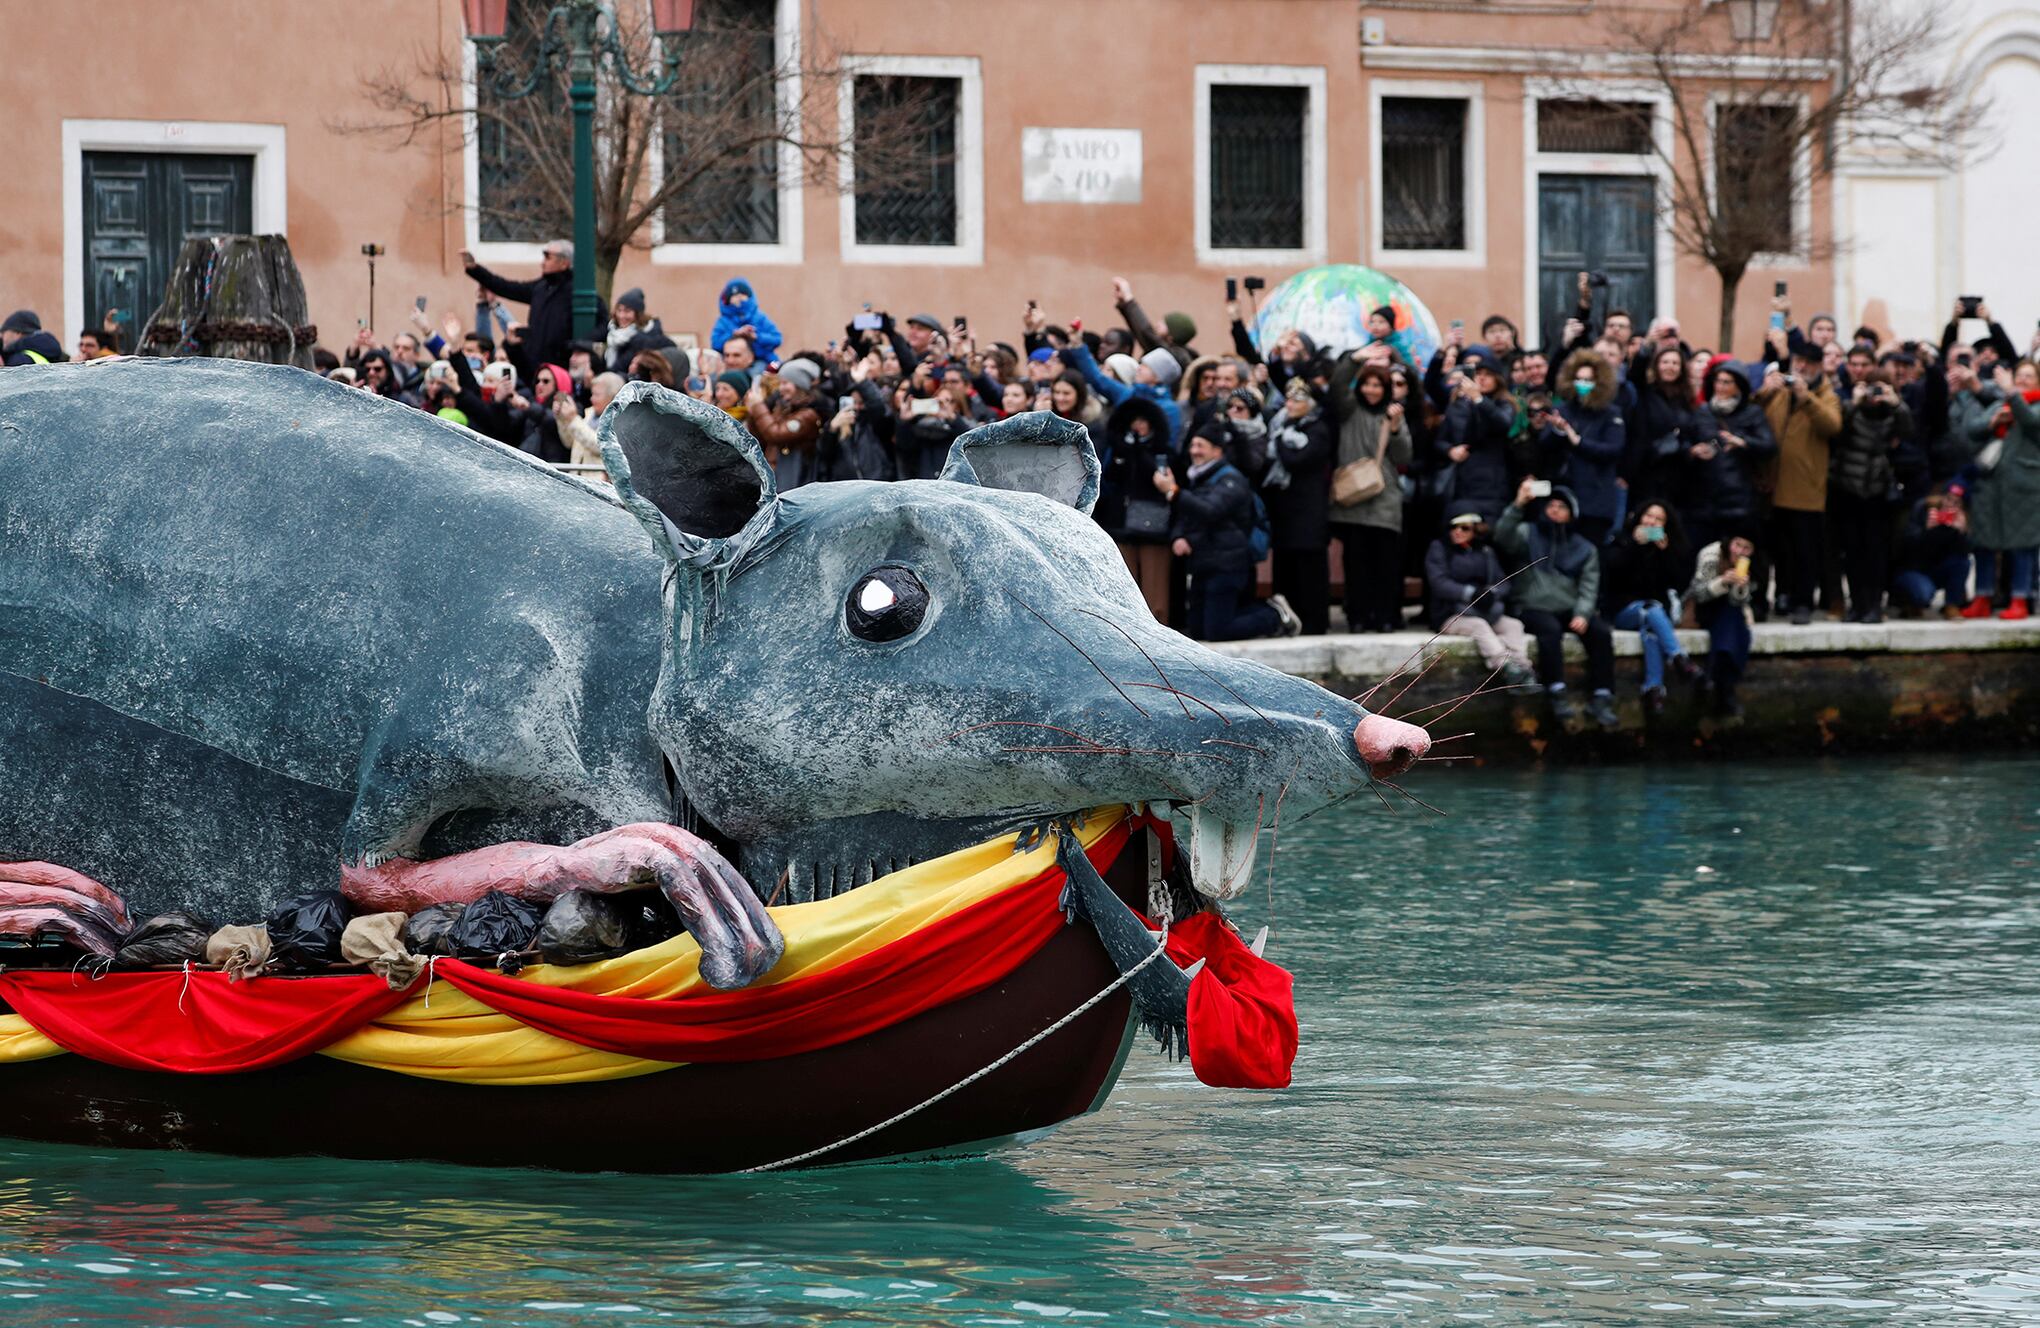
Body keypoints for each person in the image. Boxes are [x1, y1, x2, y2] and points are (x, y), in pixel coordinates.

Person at [1155, 421, 1298, 641]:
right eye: (1193, 445)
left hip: (1227, 564)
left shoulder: (1231, 480)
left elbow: (1210, 511)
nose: (1195, 451)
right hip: (1202, 563)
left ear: (1217, 450)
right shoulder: (1197, 478)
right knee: (1198, 631)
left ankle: (1274, 615)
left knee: (1217, 632)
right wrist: (1179, 536)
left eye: (1201, 446)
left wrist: (1173, 492)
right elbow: (1187, 516)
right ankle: (1262, 612)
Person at [1495, 478, 1619, 729]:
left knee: (1601, 632)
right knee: (1549, 630)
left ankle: (1602, 696)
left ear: (1571, 514)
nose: (1554, 509)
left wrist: (1583, 613)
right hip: (1531, 606)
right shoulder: (1527, 533)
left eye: (1562, 507)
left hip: (1568, 609)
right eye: (1551, 505)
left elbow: (1589, 585)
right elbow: (1502, 536)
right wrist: (1519, 503)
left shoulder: (1584, 548)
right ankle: (1556, 690)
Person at [1758, 344, 1842, 624]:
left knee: (1805, 550)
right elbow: (1753, 415)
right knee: (1778, 548)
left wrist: (1807, 399)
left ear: (1818, 367)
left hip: (1806, 488)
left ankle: (1802, 602)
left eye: (1808, 363)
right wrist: (1763, 392)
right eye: (1798, 360)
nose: (1801, 367)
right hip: (1773, 483)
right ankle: (1781, 595)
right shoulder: (1780, 392)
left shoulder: (1826, 395)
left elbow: (1833, 426)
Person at [1327, 360, 1413, 632]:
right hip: (1352, 497)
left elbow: (1404, 456)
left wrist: (1397, 428)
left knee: (1385, 564)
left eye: (1377, 385)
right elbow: (1338, 385)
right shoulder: (1349, 410)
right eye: (1367, 383)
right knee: (1355, 564)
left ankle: (1385, 617)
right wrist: (1355, 360)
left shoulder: (1392, 414)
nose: (1371, 390)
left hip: (1384, 498)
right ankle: (1358, 618)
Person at [1601, 501, 1701, 713]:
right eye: (1649, 516)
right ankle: (1678, 657)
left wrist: (1665, 554)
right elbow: (1614, 576)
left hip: (1651, 614)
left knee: (1652, 630)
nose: (1652, 522)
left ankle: (1653, 689)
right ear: (1639, 517)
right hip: (1622, 611)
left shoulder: (1667, 547)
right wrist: (1634, 546)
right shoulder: (1621, 540)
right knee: (1651, 609)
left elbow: (1676, 584)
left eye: (1658, 519)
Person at [1830, 366, 1911, 621]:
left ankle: (1874, 605)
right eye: (1871, 387)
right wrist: (1854, 403)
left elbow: (1909, 432)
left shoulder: (1892, 413)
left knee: (1876, 551)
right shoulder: (1851, 408)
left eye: (1880, 388)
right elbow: (1837, 434)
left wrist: (1895, 403)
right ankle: (1856, 604)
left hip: (1877, 491)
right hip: (1848, 488)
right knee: (1852, 551)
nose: (1875, 394)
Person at [1962, 362, 2040, 619]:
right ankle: (1982, 596)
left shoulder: (2032, 405)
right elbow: (1970, 431)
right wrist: (1993, 421)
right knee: (1984, 542)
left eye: (2029, 376)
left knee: (2022, 545)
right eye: (2019, 376)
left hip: (2024, 488)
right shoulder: (2001, 404)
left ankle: (2020, 598)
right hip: (1990, 487)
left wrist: (2011, 394)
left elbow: (2031, 423)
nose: (2023, 380)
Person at [1424, 511, 1534, 685]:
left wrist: (1491, 593)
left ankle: (1522, 669)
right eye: (1454, 527)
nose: (1457, 531)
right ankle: (1505, 667)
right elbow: (1439, 583)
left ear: (1475, 531)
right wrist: (1470, 593)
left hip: (1486, 610)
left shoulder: (1486, 552)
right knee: (1479, 626)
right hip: (1451, 613)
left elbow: (1503, 582)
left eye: (1465, 528)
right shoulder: (1440, 548)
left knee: (1514, 625)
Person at [1261, 378, 1335, 635]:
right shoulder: (1280, 426)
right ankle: (1287, 619)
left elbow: (1297, 459)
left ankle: (1314, 621)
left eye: (1296, 400)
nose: (1289, 404)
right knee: (1286, 566)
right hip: (1285, 511)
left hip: (1309, 511)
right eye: (1288, 399)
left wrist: (1281, 442)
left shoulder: (1318, 429)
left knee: (1310, 569)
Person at [1684, 362, 1776, 552]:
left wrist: (1743, 442)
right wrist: (1693, 451)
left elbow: (1769, 446)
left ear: (1738, 387)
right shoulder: (1703, 412)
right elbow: (1685, 441)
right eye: (1718, 382)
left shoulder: (1752, 413)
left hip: (1739, 501)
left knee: (1736, 557)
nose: (1720, 387)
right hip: (1704, 499)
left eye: (1727, 383)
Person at [1540, 349, 1628, 545]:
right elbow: (1544, 447)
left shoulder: (1611, 413)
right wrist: (1558, 431)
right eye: (1579, 379)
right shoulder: (1563, 410)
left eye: (1588, 380)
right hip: (1564, 495)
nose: (1583, 384)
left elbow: (1613, 449)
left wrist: (1578, 441)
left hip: (1596, 500)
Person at [461, 240, 573, 377]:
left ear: (564, 262)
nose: (542, 263)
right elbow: (509, 288)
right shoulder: (541, 288)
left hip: (561, 366)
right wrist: (476, 270)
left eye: (548, 257)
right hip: (537, 365)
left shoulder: (574, 291)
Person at [1435, 347, 1517, 522]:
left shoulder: (1504, 403)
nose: (1482, 378)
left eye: (1488, 374)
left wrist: (1479, 399)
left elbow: (1502, 423)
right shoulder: (1457, 404)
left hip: (1492, 485)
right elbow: (1440, 441)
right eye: (1478, 373)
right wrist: (1450, 451)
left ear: (1498, 378)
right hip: (1462, 482)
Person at [1687, 528, 1759, 719]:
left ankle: (1715, 680)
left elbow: (1739, 603)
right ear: (1730, 542)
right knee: (1736, 629)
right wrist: (1723, 582)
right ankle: (1725, 691)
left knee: (1740, 631)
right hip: (1704, 608)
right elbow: (1699, 593)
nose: (1740, 551)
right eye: (1738, 545)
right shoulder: (1711, 555)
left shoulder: (1747, 564)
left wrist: (1740, 585)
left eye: (1746, 548)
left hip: (1729, 612)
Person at [1893, 485, 1975, 618]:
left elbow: (1965, 554)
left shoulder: (1959, 520)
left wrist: (1963, 533)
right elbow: (1906, 548)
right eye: (1948, 499)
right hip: (1913, 571)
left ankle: (1952, 605)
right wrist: (1928, 531)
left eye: (1956, 502)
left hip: (1938, 571)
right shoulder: (1922, 509)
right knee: (1922, 593)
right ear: (1941, 498)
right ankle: (1910, 604)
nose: (1951, 505)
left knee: (1962, 563)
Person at [1627, 342, 1693, 506]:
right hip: (1647, 471)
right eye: (1665, 362)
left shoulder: (1686, 399)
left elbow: (1689, 431)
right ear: (1656, 366)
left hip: (1677, 475)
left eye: (1675, 363)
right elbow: (1635, 373)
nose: (1670, 367)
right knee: (1649, 519)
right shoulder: (1646, 391)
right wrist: (1646, 348)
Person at [745, 358, 824, 491]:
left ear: (800, 385)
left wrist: (758, 407)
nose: (781, 388)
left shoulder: (809, 415)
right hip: (776, 480)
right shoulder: (782, 408)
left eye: (786, 383)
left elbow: (775, 434)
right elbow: (760, 436)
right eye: (780, 383)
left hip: (794, 483)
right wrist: (752, 412)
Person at [602, 287, 676, 375]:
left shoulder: (646, 337)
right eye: (619, 310)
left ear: (637, 314)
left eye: (627, 311)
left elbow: (621, 366)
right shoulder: (613, 332)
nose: (621, 316)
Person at [710, 278, 783, 361]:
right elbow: (715, 344)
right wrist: (734, 334)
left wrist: (756, 336)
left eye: (742, 296)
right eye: (734, 296)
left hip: (759, 359)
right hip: (731, 362)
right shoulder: (723, 321)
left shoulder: (760, 318)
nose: (738, 299)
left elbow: (777, 339)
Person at [1, 311, 67, 367]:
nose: (1, 336)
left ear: (18, 333)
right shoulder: (54, 354)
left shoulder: (20, 360)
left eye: (3, 332)